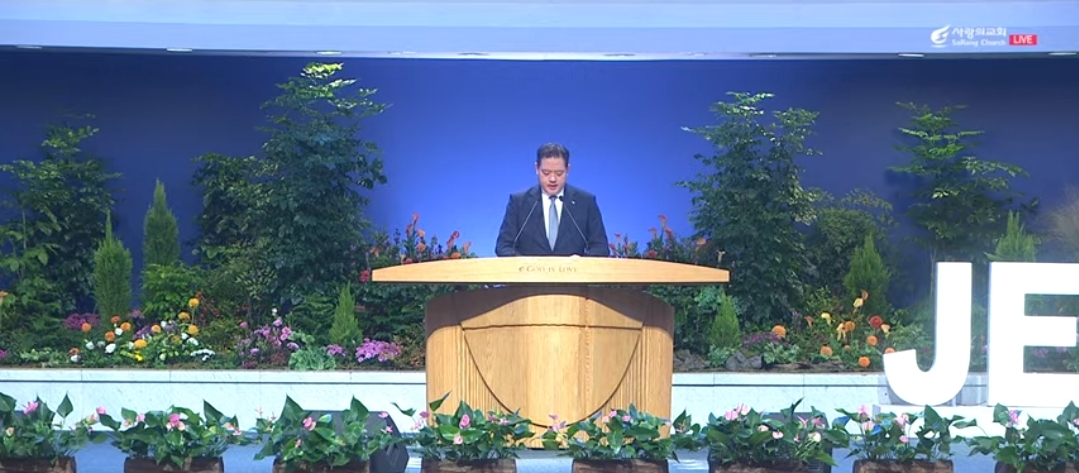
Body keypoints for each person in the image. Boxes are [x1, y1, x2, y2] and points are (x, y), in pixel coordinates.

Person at [495, 143, 611, 257]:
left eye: (559, 173)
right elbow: (503, 246)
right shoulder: (518, 202)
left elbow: (600, 247)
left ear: (568, 170)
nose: (552, 179)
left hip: (574, 270)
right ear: (537, 168)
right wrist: (526, 263)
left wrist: (581, 263)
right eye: (546, 173)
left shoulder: (586, 202)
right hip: (528, 270)